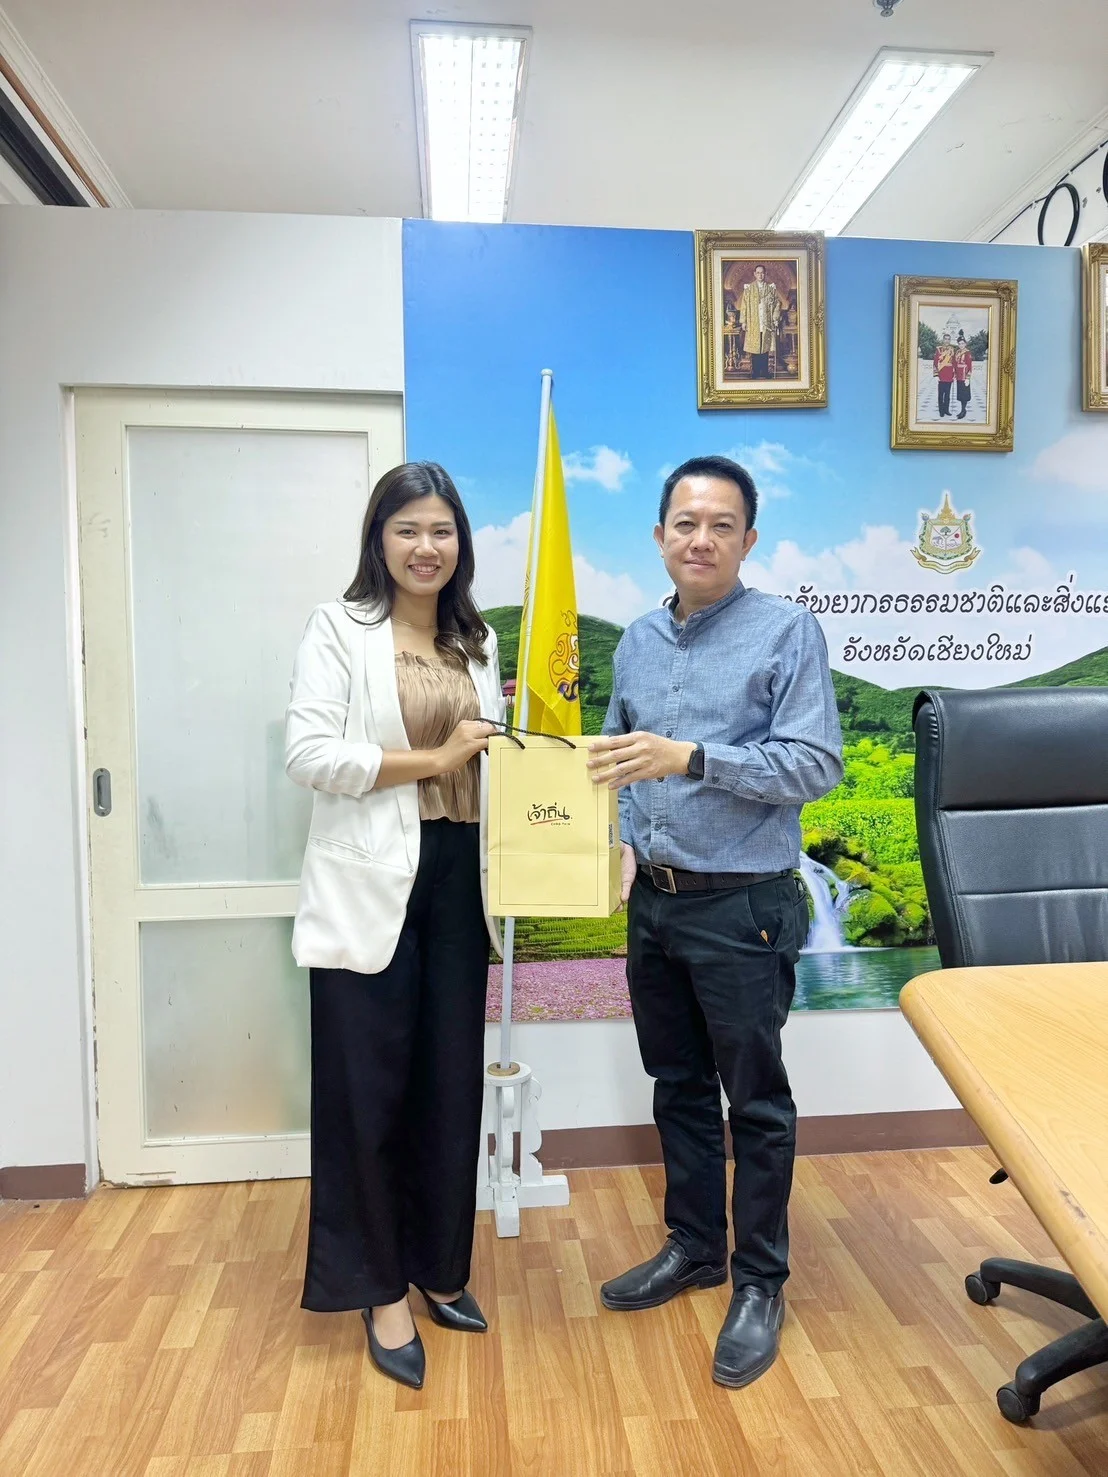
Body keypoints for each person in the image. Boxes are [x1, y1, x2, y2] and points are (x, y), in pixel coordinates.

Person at [588, 456, 843, 1389]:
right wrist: (620, 840)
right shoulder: (636, 640)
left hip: (744, 906)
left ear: (749, 539)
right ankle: (694, 1246)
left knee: (756, 1101)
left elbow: (814, 763)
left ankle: (760, 1280)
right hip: (656, 903)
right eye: (686, 523)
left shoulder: (787, 631)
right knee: (678, 1085)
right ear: (660, 535)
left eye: (722, 525)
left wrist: (693, 756)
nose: (701, 539)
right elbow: (617, 762)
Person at [285, 461, 504, 1391]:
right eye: (408, 528)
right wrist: (434, 758)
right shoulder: (339, 627)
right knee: (365, 1091)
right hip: (371, 879)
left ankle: (437, 1267)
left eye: (442, 530)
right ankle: (378, 1290)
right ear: (379, 538)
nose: (426, 547)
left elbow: (493, 760)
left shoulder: (477, 641)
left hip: (459, 878)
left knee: (449, 1084)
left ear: (461, 544)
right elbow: (309, 753)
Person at [739, 265, 782, 380]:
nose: (760, 275)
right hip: (753, 322)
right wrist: (743, 321)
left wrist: (775, 318)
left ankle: (765, 371)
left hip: (766, 322)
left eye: (762, 272)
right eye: (758, 273)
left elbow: (777, 303)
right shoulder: (749, 289)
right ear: (754, 274)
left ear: (765, 273)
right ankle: (755, 372)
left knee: (765, 348)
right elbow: (744, 306)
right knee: (755, 348)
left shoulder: (771, 289)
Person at [933, 332, 956, 417]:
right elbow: (935, 362)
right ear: (943, 340)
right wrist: (936, 375)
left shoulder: (952, 349)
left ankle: (946, 410)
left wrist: (954, 374)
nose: (947, 341)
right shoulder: (939, 349)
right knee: (941, 394)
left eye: (948, 339)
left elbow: (954, 363)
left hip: (949, 375)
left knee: (947, 395)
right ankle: (941, 411)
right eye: (945, 339)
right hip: (941, 374)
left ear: (950, 340)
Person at [954, 332, 973, 420]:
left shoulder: (967, 353)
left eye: (962, 343)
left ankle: (963, 410)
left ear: (965, 344)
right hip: (958, 376)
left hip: (964, 376)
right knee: (960, 394)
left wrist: (968, 378)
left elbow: (970, 366)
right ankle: (962, 410)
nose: (961, 345)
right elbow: (955, 364)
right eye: (959, 343)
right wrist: (954, 374)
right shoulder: (957, 352)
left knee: (965, 395)